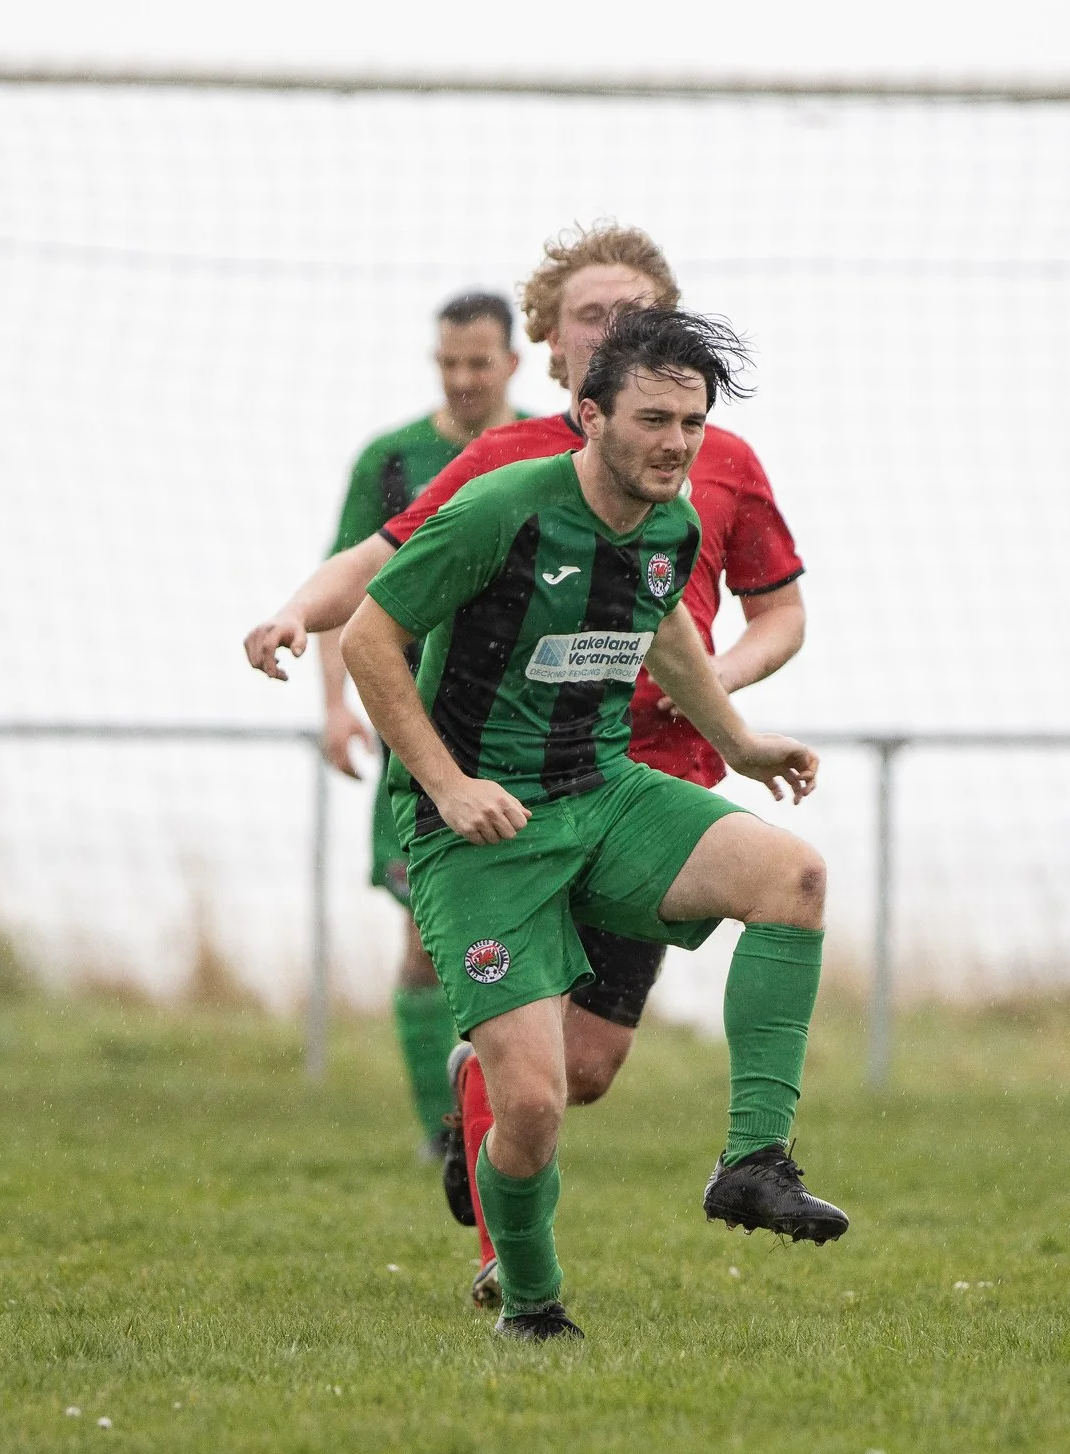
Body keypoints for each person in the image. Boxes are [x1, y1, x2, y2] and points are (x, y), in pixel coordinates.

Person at [246, 225, 810, 1307]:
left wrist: (730, 718)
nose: (623, 331)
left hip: (643, 786)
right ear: (560, 356)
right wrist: (291, 614)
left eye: (642, 313)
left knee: (586, 1071)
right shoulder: (507, 472)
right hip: (502, 795)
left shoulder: (706, 468)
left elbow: (747, 615)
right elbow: (379, 573)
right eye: (598, 317)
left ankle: (743, 1158)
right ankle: (516, 1277)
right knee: (531, 1085)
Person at [316, 292, 524, 1212]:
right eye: (449, 363)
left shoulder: (546, 455)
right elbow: (347, 589)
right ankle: (445, 1131)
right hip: (414, 733)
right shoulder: (391, 460)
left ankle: (514, 1111)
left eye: (479, 362)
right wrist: (336, 707)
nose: (464, 378)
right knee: (423, 949)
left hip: (518, 735)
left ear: (514, 361)